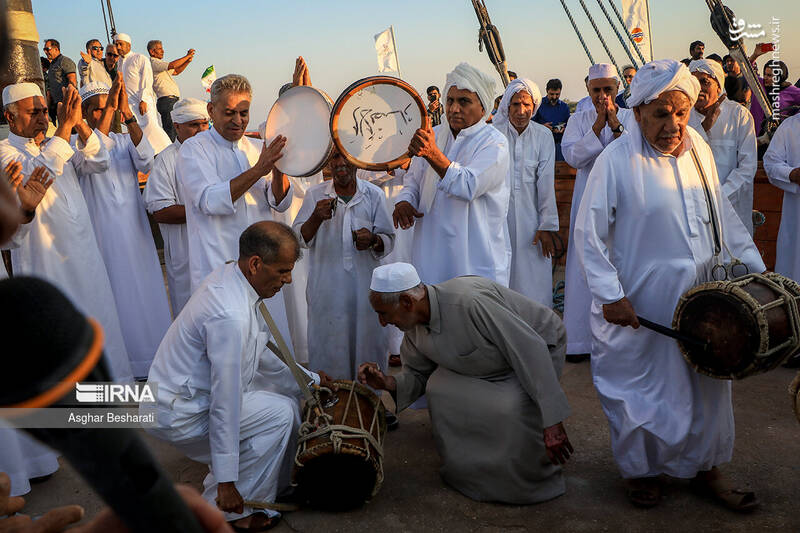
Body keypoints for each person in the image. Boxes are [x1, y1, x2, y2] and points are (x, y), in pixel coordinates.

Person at [574, 59, 764, 510]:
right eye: (661, 114)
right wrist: (611, 295)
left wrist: (753, 267)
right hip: (643, 306)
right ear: (638, 112)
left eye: (681, 113)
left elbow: (722, 215)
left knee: (707, 388)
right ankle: (645, 471)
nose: (673, 125)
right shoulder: (615, 161)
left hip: (703, 301)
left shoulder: (698, 146)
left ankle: (708, 469)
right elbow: (588, 234)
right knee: (644, 391)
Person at [146, 221, 334, 531]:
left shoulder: (233, 276)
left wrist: (309, 381)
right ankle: (226, 511)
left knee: (283, 405)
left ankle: (270, 485)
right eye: (283, 271)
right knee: (278, 416)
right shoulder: (229, 315)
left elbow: (260, 351)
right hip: (180, 412)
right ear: (256, 264)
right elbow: (225, 403)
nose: (288, 280)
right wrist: (226, 480)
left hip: (179, 396)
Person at [359, 262, 573, 504]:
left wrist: (553, 421)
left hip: (535, 350)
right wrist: (387, 382)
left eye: (383, 314)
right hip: (485, 365)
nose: (382, 322)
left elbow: (528, 349)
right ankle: (468, 474)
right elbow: (418, 374)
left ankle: (528, 482)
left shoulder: (468, 302)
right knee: (439, 389)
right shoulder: (413, 324)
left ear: (408, 302)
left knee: (508, 407)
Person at [0, 82, 132, 382]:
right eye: (34, 112)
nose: (43, 118)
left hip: (85, 256)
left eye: (46, 111)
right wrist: (64, 130)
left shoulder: (55, 143)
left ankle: (115, 393)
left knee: (100, 324)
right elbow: (39, 175)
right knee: (62, 338)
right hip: (46, 263)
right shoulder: (4, 152)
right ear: (10, 118)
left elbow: (100, 161)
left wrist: (78, 124)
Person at [177, 73, 295, 355]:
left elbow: (279, 202)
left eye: (243, 113)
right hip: (220, 265)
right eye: (229, 113)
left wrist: (277, 167)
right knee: (229, 353)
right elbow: (209, 200)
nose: (238, 120)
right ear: (211, 110)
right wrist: (259, 169)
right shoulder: (194, 149)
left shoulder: (255, 148)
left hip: (263, 266)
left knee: (270, 347)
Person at [78, 78, 171, 377]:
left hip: (136, 233)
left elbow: (146, 161)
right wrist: (110, 115)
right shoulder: (76, 146)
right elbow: (97, 156)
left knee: (147, 294)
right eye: (96, 110)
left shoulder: (123, 139)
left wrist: (127, 115)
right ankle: (126, 367)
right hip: (103, 236)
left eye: (107, 108)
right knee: (118, 300)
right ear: (83, 112)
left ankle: (156, 360)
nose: (102, 114)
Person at [293, 148, 395, 416]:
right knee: (329, 344)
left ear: (356, 162)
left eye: (345, 158)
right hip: (327, 291)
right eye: (335, 158)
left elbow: (389, 240)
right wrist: (315, 217)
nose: (340, 164)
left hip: (364, 292)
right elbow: (298, 240)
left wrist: (372, 240)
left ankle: (372, 403)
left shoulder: (373, 195)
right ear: (327, 163)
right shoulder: (316, 196)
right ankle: (330, 403)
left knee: (369, 342)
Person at [393, 62, 510, 286]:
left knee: (471, 316)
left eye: (464, 101)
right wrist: (405, 202)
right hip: (429, 251)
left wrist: (432, 154)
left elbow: (469, 185)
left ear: (483, 107)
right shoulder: (434, 135)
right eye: (450, 100)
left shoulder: (495, 143)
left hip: (472, 258)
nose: (454, 108)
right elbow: (412, 181)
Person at [561, 63, 636, 363]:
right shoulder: (577, 120)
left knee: (620, 263)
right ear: (588, 90)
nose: (603, 95)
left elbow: (633, 154)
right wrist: (596, 128)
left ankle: (621, 341)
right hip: (588, 200)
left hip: (623, 201)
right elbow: (573, 157)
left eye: (608, 89)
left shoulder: (631, 117)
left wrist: (615, 124)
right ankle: (580, 342)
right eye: (597, 90)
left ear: (617, 89)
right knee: (584, 266)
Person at [493, 78, 558, 306]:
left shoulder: (543, 135)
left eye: (526, 105)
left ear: (534, 107)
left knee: (534, 280)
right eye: (515, 105)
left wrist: (547, 226)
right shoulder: (493, 135)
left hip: (533, 222)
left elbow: (546, 182)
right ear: (506, 107)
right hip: (497, 220)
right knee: (501, 276)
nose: (521, 111)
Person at [144, 97, 209, 317]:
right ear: (178, 126)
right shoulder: (166, 161)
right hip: (187, 257)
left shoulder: (217, 154)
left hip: (220, 253)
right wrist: (210, 206)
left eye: (204, 124)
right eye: (194, 125)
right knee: (191, 320)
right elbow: (161, 212)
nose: (201, 130)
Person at [689, 59, 757, 235]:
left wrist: (718, 197)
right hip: (693, 211)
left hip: (732, 211)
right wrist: (702, 129)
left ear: (719, 86)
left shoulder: (739, 115)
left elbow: (747, 168)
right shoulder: (683, 116)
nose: (698, 88)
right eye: (693, 82)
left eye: (704, 81)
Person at [113, 33, 172, 154]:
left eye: (121, 44)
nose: (118, 47)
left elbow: (147, 79)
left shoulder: (139, 58)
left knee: (152, 127)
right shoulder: (119, 62)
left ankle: (169, 152)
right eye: (116, 44)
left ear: (128, 45)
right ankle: (147, 155)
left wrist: (143, 100)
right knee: (136, 131)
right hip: (129, 105)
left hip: (142, 102)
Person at [148, 40, 195, 141]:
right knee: (171, 131)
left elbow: (176, 71)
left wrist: (187, 61)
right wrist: (187, 56)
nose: (163, 51)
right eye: (160, 48)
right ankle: (170, 153)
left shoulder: (160, 64)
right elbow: (173, 65)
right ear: (152, 52)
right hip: (167, 100)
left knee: (176, 129)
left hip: (171, 100)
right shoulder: (154, 62)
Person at [533, 78, 571, 161]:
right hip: (541, 146)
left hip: (559, 146)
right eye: (551, 94)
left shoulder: (564, 107)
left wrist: (564, 129)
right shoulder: (538, 105)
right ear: (547, 91)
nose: (554, 97)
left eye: (557, 94)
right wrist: (542, 127)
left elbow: (570, 125)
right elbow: (530, 124)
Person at [42, 39, 76, 124]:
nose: (46, 52)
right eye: (44, 49)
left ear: (56, 49)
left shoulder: (64, 61)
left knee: (71, 130)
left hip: (66, 103)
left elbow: (72, 81)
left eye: (47, 49)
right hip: (56, 104)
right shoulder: (52, 65)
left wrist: (69, 102)